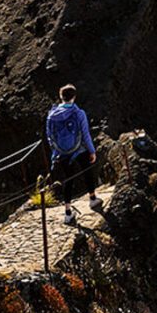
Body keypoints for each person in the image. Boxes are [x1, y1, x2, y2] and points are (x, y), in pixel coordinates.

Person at [45, 84, 102, 224]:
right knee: (87, 171)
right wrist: (92, 151)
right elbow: (85, 134)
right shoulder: (79, 113)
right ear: (74, 97)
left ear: (61, 97)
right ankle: (93, 199)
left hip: (62, 152)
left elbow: (49, 136)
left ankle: (68, 213)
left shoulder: (51, 116)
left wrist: (56, 151)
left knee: (68, 180)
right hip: (79, 149)